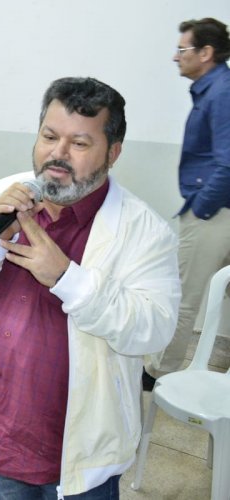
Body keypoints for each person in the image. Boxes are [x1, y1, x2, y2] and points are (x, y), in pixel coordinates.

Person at [0, 77, 181, 498]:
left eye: (79, 144)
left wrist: (68, 278)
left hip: (81, 446)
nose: (57, 155)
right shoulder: (7, 194)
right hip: (3, 426)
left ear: (113, 153)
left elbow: (154, 330)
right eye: (49, 136)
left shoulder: (145, 231)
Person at [144, 18, 230, 389]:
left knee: (183, 294)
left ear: (205, 53)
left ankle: (157, 373)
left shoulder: (221, 92)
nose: (175, 57)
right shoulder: (215, 89)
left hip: (214, 212)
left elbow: (228, 160)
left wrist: (203, 206)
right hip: (218, 207)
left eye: (183, 49)